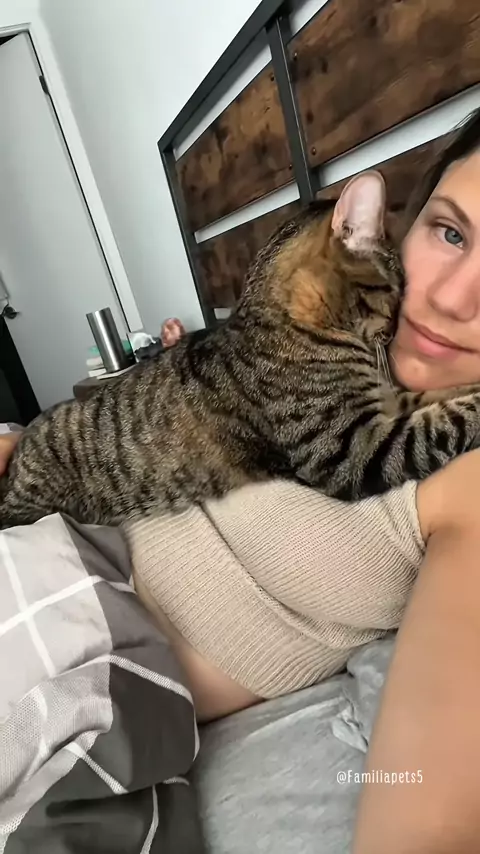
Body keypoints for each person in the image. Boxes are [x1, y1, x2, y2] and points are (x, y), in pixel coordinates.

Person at [2, 108, 480, 852]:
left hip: (69, 652)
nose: (452, 298)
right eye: (450, 233)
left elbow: (423, 823)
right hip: (50, 548)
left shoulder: (465, 477)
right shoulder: (329, 344)